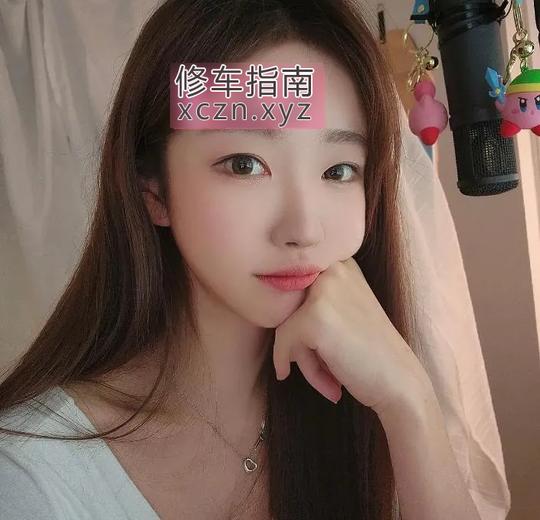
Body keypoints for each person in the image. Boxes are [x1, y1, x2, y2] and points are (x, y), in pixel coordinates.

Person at [0, 1, 482, 519]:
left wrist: (411, 403)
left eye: (339, 171)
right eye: (245, 164)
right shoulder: (32, 478)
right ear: (154, 190)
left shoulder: (360, 406)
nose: (304, 229)